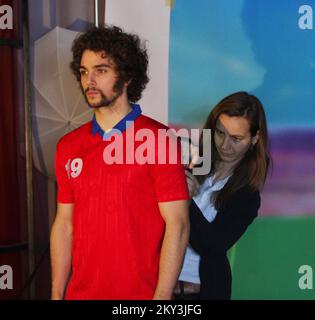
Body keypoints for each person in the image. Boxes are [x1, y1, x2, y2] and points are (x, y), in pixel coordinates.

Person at [50, 26, 190, 300]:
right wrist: (56, 294)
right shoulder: (68, 147)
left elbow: (179, 226)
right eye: (83, 71)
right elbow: (64, 224)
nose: (89, 80)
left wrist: (161, 299)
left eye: (100, 70)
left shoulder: (159, 140)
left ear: (126, 77)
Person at [175, 91, 270, 300]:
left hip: (199, 293)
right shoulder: (193, 164)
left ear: (254, 138)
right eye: (220, 133)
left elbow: (213, 245)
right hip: (158, 287)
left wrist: (185, 199)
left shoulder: (247, 195)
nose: (225, 145)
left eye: (236, 138)